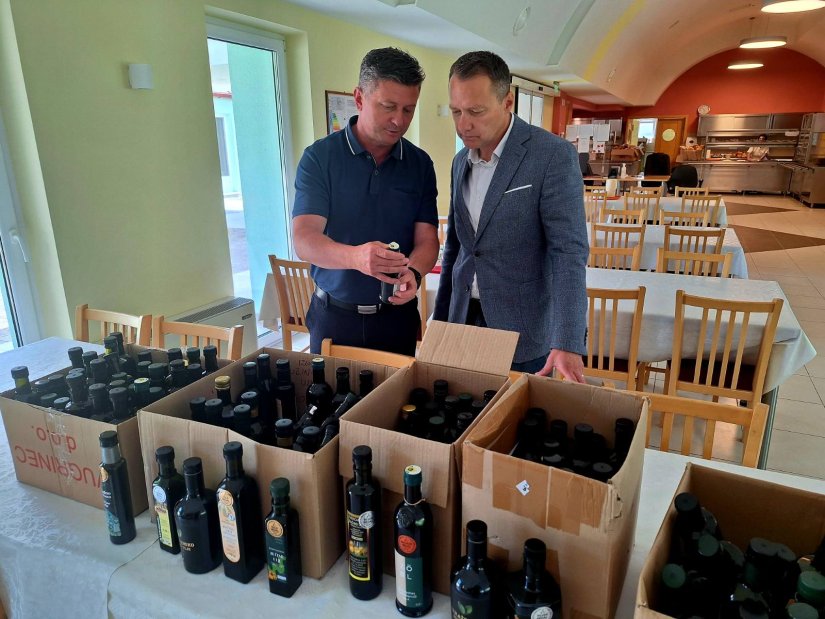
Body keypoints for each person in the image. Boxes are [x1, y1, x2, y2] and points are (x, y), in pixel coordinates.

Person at [433, 51, 589, 381]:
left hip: (523, 327)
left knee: (517, 413)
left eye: (476, 111)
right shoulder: (460, 161)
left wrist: (567, 340)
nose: (463, 124)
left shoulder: (551, 155)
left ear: (507, 102)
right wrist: (442, 320)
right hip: (464, 319)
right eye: (456, 111)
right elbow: (457, 248)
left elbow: (568, 252)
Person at [292, 48, 440, 356]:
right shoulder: (320, 158)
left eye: (408, 109)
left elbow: (427, 240)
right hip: (333, 316)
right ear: (359, 99)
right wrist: (356, 258)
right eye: (388, 107)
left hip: (396, 318)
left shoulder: (420, 164)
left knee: (400, 390)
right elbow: (305, 240)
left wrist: (413, 273)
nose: (399, 120)